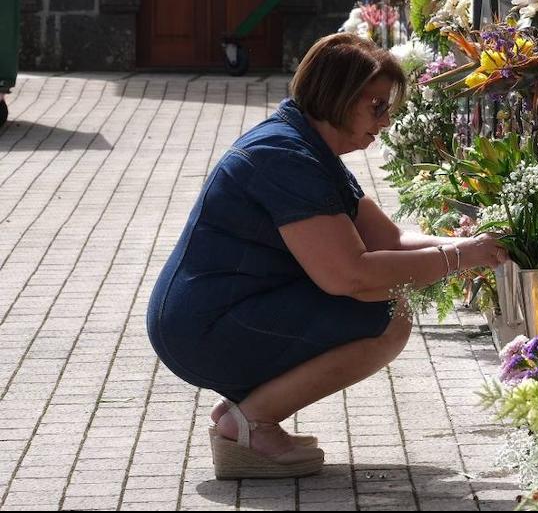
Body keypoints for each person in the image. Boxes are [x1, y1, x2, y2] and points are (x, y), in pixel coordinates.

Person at [146, 33, 509, 479]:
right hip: (202, 329)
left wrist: (474, 246)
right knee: (386, 311)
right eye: (376, 106)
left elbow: (389, 241)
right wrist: (458, 258)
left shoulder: (306, 145)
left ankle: (245, 414)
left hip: (216, 315)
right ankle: (248, 425)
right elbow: (349, 275)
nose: (387, 120)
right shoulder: (285, 156)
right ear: (338, 96)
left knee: (385, 298)